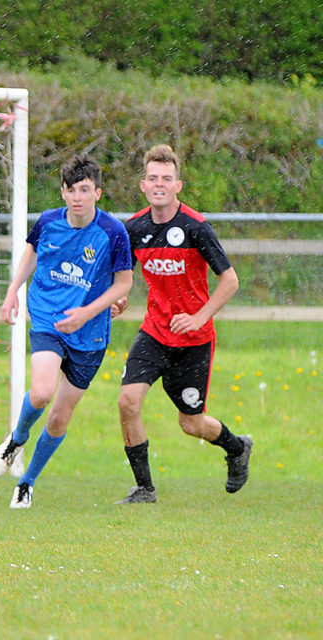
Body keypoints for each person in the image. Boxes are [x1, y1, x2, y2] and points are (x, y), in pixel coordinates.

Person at [0, 154, 132, 509]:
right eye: (71, 190)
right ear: (63, 192)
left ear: (98, 193)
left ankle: (27, 482)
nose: (78, 197)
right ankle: (15, 440)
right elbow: (31, 253)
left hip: (91, 332)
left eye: (85, 190)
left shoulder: (113, 232)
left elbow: (123, 284)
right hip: (48, 315)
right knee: (41, 392)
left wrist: (87, 312)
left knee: (59, 416)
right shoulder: (49, 221)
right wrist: (12, 293)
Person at [114, 144, 251, 504]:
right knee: (128, 401)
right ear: (143, 184)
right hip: (154, 334)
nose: (160, 184)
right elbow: (124, 277)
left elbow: (230, 281)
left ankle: (237, 448)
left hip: (194, 341)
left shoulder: (195, 227)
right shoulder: (135, 228)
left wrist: (198, 317)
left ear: (178, 185)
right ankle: (144, 489)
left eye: (167, 178)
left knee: (191, 423)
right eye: (153, 178)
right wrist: (120, 298)